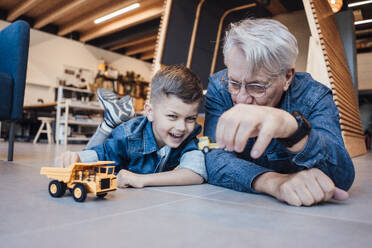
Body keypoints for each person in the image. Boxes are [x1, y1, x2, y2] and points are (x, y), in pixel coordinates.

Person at [204, 18, 355, 207]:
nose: (241, 99)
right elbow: (212, 156)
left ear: (287, 77)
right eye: (234, 83)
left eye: (257, 86)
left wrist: (293, 130)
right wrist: (274, 182)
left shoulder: (314, 96)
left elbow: (342, 176)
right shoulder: (219, 87)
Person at [56, 65, 207, 188]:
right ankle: (109, 125)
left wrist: (143, 179)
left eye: (190, 118)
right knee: (86, 168)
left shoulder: (188, 136)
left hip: (137, 175)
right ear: (150, 111)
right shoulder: (129, 135)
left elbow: (195, 173)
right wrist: (75, 157)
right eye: (172, 116)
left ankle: (112, 121)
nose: (181, 127)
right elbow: (101, 153)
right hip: (120, 150)